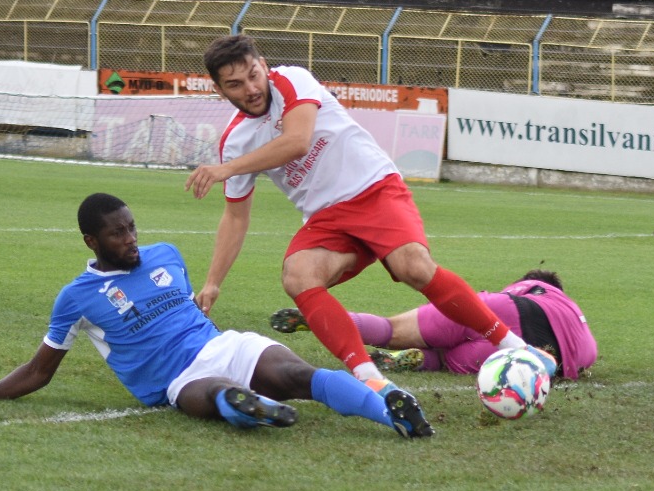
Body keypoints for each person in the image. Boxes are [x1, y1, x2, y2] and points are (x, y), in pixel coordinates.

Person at [185, 35, 556, 398]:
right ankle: (372, 379)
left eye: (253, 74)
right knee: (299, 276)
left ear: (263, 65)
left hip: (373, 188)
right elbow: (235, 218)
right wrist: (214, 282)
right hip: (326, 218)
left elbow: (298, 140)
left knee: (414, 266)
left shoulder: (291, 79)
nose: (250, 88)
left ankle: (517, 348)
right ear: (220, 91)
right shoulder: (236, 140)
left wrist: (227, 169)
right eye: (235, 84)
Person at [0, 193, 434, 439]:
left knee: (298, 373)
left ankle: (392, 412)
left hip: (223, 344)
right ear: (91, 242)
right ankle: (250, 406)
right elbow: (40, 371)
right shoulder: (77, 298)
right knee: (208, 395)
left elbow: (189, 310)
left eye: (131, 228)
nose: (130, 239)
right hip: (176, 378)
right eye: (116, 234)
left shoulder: (167, 254)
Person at [271, 268, 598, 379]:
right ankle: (421, 361)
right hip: (536, 361)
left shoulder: (537, 288)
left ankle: (321, 320)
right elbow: (582, 365)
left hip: (502, 311)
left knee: (392, 330)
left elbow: (505, 301)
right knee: (446, 358)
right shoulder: (589, 346)